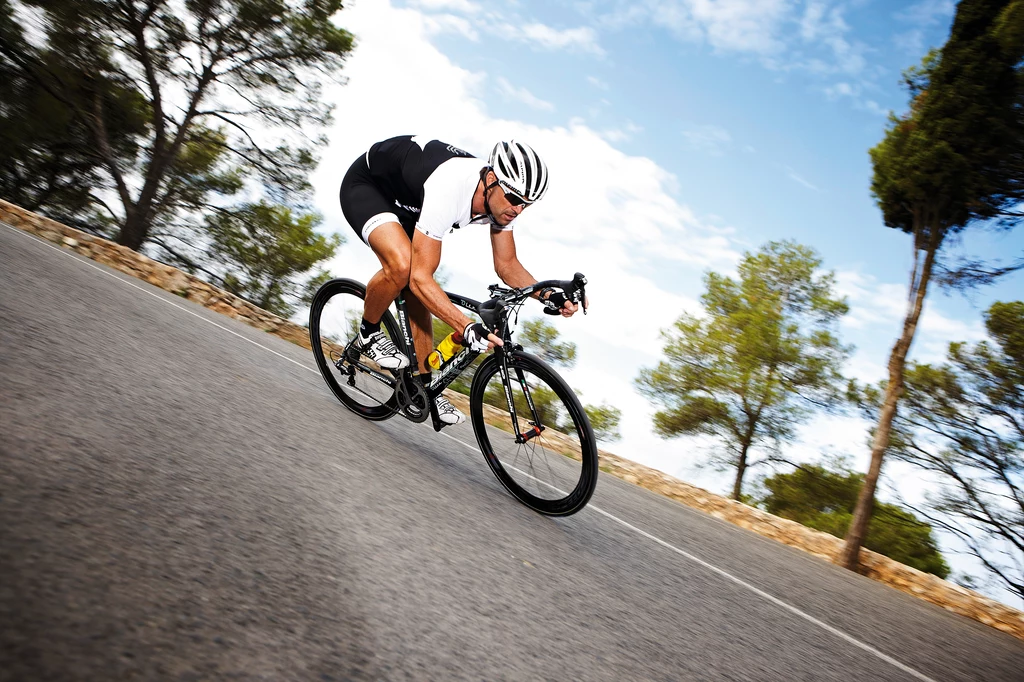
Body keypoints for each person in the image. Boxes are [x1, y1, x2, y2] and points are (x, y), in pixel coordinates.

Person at [339, 135, 582, 426]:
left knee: (419, 292)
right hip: (369, 186)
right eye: (515, 200)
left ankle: (424, 384)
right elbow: (419, 277)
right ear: (491, 179)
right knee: (406, 269)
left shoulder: (502, 202)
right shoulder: (451, 186)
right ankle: (368, 334)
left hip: (412, 203)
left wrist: (549, 295)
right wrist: (465, 327)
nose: (518, 210)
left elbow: (507, 265)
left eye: (527, 205)